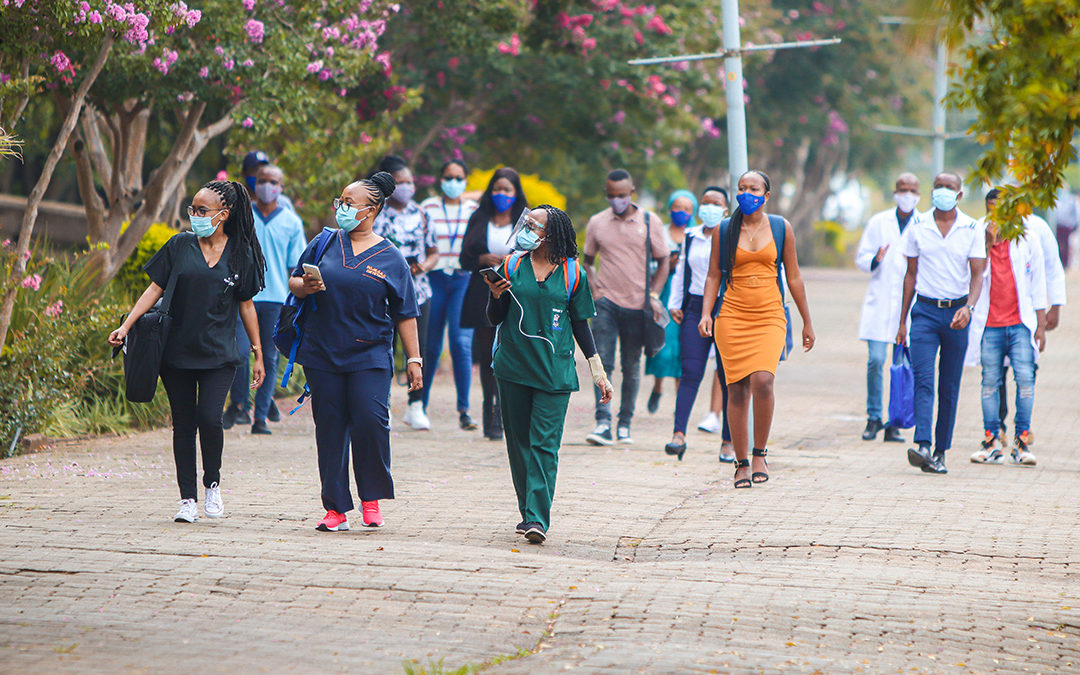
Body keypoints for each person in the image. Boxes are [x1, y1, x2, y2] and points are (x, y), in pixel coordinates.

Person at [108, 180, 267, 522]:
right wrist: (126, 326)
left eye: (202, 210)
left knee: (210, 419)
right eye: (192, 209)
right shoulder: (180, 245)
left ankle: (212, 484)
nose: (194, 215)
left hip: (219, 356)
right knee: (183, 424)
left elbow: (247, 305)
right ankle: (187, 500)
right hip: (176, 353)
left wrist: (258, 353)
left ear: (224, 214)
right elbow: (154, 289)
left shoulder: (241, 253)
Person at [288, 172, 422, 532]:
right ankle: (335, 508)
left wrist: (414, 359)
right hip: (323, 352)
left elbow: (406, 312)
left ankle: (371, 498)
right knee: (330, 428)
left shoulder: (392, 257)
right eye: (340, 202)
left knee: (370, 420)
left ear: (372, 210)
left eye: (349, 203)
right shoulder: (324, 243)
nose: (341, 209)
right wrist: (305, 286)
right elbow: (294, 281)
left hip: (370, 354)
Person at [482, 205, 614, 543]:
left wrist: (598, 371)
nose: (526, 229)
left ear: (551, 235)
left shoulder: (573, 274)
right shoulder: (512, 265)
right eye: (526, 223)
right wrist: (495, 295)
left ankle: (538, 518)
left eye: (534, 226)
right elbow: (495, 318)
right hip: (512, 367)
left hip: (554, 372)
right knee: (519, 444)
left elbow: (581, 325)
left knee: (544, 444)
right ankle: (528, 511)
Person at [699, 170, 815, 488]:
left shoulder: (780, 227)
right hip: (732, 316)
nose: (746, 194)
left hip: (769, 315)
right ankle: (741, 463)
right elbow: (713, 276)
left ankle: (760, 452)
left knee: (763, 381)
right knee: (736, 389)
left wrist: (807, 321)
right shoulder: (724, 229)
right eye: (741, 188)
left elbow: (794, 276)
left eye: (753, 188)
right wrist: (706, 313)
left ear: (766, 195)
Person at [895, 171, 985, 475]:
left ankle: (940, 451)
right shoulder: (918, 225)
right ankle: (922, 444)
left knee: (949, 385)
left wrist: (969, 308)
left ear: (959, 194)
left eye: (949, 187)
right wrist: (902, 321)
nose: (943, 191)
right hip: (924, 312)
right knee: (923, 379)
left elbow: (978, 275)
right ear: (931, 191)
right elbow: (910, 275)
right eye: (938, 187)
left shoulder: (971, 228)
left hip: (957, 315)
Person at [583, 169, 670, 446]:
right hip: (606, 304)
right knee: (603, 363)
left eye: (622, 195)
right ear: (606, 194)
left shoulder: (650, 221)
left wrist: (654, 294)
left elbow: (664, 261)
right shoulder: (597, 222)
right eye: (611, 195)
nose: (617, 200)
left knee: (631, 366)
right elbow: (587, 261)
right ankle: (602, 422)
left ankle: (625, 424)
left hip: (638, 305)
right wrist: (595, 291)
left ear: (632, 192)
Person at [223, 164, 306, 434]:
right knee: (239, 353)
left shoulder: (292, 223)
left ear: (281, 188)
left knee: (269, 358)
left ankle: (260, 417)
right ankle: (239, 405)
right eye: (261, 180)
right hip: (243, 296)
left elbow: (296, 267)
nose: (266, 186)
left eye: (273, 181)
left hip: (276, 299)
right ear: (253, 184)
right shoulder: (241, 217)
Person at [978, 188, 1066, 441]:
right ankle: (997, 427)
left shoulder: (1035, 229)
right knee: (994, 376)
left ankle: (1022, 427)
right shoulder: (979, 230)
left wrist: (1054, 307)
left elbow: (1050, 268)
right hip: (992, 319)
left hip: (1022, 319)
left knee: (1026, 373)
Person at [965, 201, 1046, 465]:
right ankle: (991, 442)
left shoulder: (1028, 238)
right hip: (989, 325)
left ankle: (1021, 443)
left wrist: (1041, 324)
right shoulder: (978, 238)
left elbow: (1038, 282)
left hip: (1021, 324)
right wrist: (988, 243)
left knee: (1025, 382)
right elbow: (975, 275)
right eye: (992, 210)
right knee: (990, 383)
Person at [665, 186, 736, 462]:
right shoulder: (691, 236)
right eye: (706, 203)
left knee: (728, 376)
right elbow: (681, 269)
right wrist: (675, 303)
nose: (710, 208)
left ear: (725, 210)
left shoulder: (732, 235)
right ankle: (678, 434)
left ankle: (728, 441)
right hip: (694, 307)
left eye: (716, 204)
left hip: (726, 307)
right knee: (690, 371)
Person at [459, 168, 529, 440]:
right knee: (487, 354)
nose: (501, 194)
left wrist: (511, 260)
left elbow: (535, 255)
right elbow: (464, 258)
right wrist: (483, 259)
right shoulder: (479, 217)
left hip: (516, 293)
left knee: (511, 352)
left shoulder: (525, 220)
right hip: (483, 293)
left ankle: (506, 409)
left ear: (516, 193)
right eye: (497, 189)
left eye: (507, 190)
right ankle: (490, 409)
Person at [371, 155, 439, 430]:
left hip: (418, 292)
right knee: (384, 347)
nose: (407, 186)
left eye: (410, 181)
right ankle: (382, 402)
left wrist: (423, 266)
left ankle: (416, 405)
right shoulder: (376, 214)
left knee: (418, 349)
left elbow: (434, 251)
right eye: (401, 182)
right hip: (383, 293)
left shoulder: (422, 214)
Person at [854, 172, 920, 443]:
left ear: (918, 195)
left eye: (912, 190)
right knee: (876, 361)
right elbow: (861, 258)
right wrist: (875, 259)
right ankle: (873, 417)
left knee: (900, 366)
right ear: (895, 192)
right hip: (880, 306)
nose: (907, 195)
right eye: (903, 189)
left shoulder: (923, 225)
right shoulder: (878, 222)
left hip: (909, 308)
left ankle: (895, 421)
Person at [419, 159, 480, 430]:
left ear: (465, 181)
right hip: (434, 279)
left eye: (458, 178)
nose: (453, 182)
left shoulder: (473, 210)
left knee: (461, 343)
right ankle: (419, 405)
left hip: (463, 280)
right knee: (430, 346)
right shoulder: (427, 207)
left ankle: (464, 410)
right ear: (440, 179)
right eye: (448, 177)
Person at [645, 190, 695, 414]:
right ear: (670, 208)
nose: (681, 212)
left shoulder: (695, 234)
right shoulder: (660, 233)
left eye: (687, 209)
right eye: (677, 207)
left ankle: (679, 405)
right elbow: (648, 263)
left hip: (687, 297)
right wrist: (667, 266)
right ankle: (657, 387)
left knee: (683, 351)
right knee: (662, 346)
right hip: (663, 295)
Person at [1051, 185, 1077, 269]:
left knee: (1065, 244)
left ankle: (1065, 263)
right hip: (1059, 225)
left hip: (1066, 226)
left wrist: (1074, 224)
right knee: (1059, 243)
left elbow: (1074, 213)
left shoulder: (1070, 200)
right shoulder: (1056, 199)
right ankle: (1061, 261)